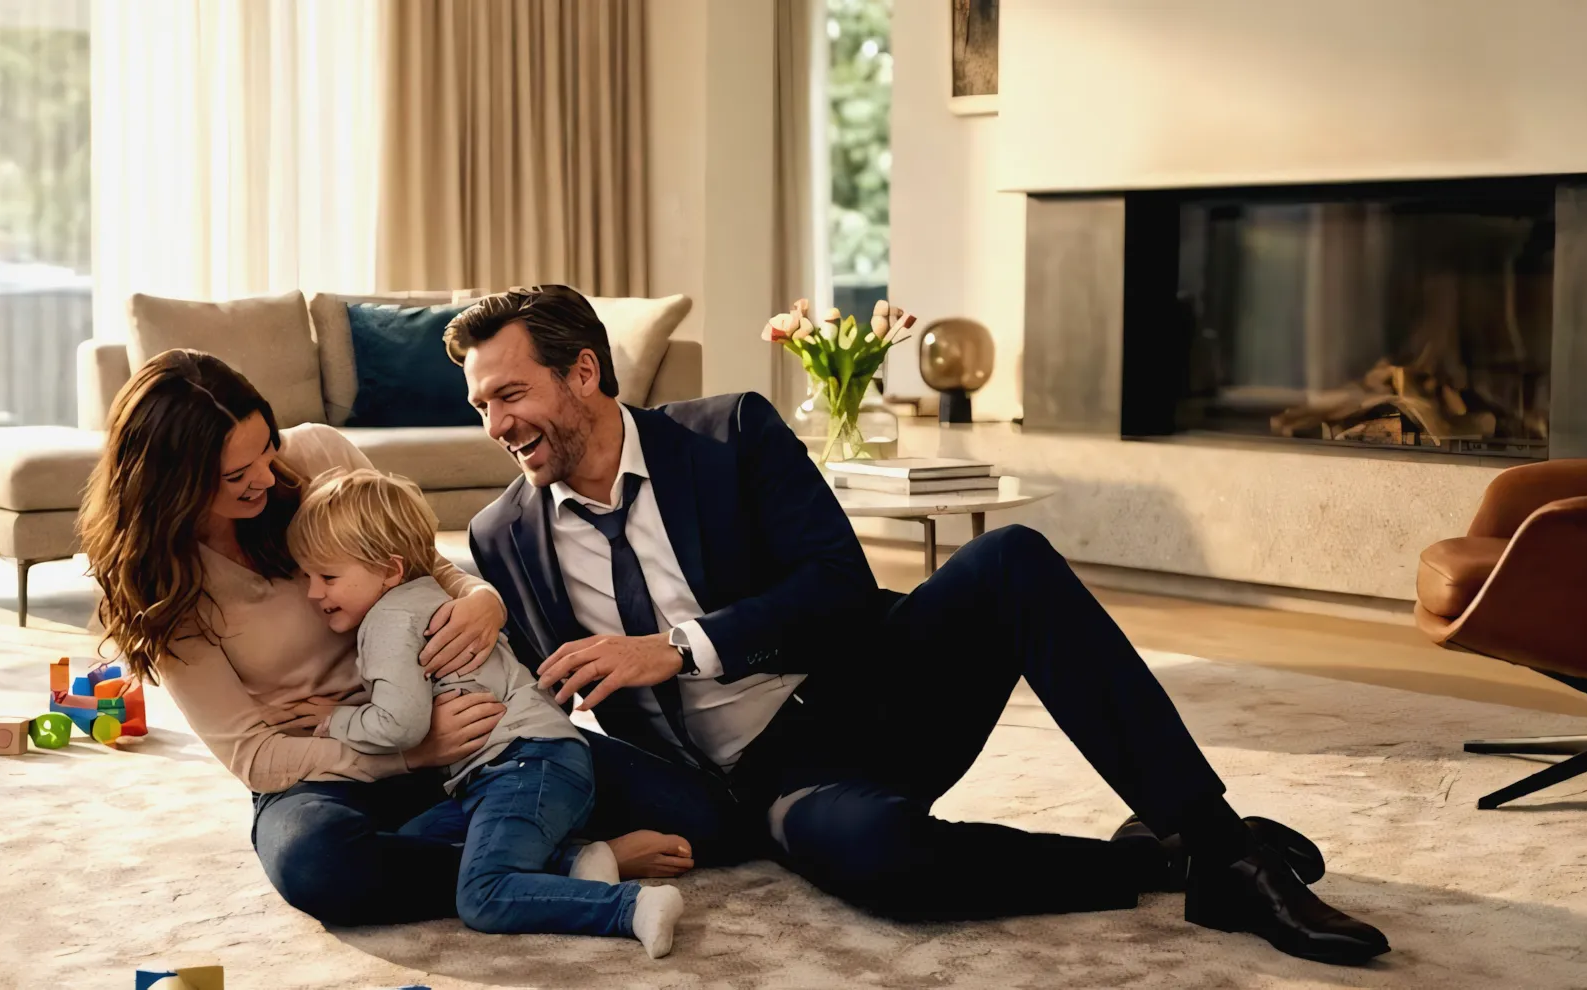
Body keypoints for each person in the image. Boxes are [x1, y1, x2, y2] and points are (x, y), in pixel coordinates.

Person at [451, 285, 1392, 965]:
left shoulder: (728, 434)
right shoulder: (503, 536)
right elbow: (505, 674)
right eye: (480, 405)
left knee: (1011, 559)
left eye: (509, 394)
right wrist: (472, 596)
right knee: (880, 863)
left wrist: (682, 647)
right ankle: (1160, 864)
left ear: (584, 372)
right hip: (751, 783)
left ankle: (1221, 842)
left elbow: (839, 587)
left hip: (860, 698)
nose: (495, 424)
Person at [77, 348, 700, 928]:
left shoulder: (317, 456)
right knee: (319, 866)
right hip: (332, 769)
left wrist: (484, 602)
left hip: (473, 735)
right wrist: (408, 751)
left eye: (266, 448)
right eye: (236, 473)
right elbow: (257, 759)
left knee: (702, 816)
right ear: (172, 485)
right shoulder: (159, 587)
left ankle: (510, 853)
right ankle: (569, 865)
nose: (267, 477)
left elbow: (425, 565)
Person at [289, 468, 687, 957]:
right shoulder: (429, 597)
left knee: (482, 896)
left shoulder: (389, 619)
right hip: (509, 770)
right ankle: (579, 862)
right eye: (307, 576)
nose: (312, 592)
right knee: (409, 847)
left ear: (390, 570)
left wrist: (336, 720)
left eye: (327, 577)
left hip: (523, 765)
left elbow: (401, 723)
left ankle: (631, 907)